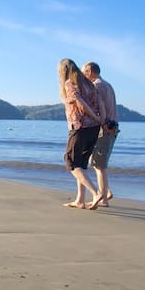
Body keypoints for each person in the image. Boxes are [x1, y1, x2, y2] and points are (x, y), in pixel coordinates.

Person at [57, 58, 105, 209]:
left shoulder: (69, 84)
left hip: (79, 127)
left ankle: (96, 193)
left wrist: (93, 116)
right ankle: (80, 200)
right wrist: (100, 119)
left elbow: (81, 104)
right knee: (82, 164)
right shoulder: (89, 84)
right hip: (94, 128)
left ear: (63, 71)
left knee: (71, 162)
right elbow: (101, 103)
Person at [83, 61, 118, 207]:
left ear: (90, 71)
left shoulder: (96, 86)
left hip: (105, 127)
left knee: (99, 165)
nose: (83, 76)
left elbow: (98, 108)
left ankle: (102, 198)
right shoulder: (108, 85)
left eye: (84, 72)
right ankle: (106, 192)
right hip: (112, 127)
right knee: (97, 161)